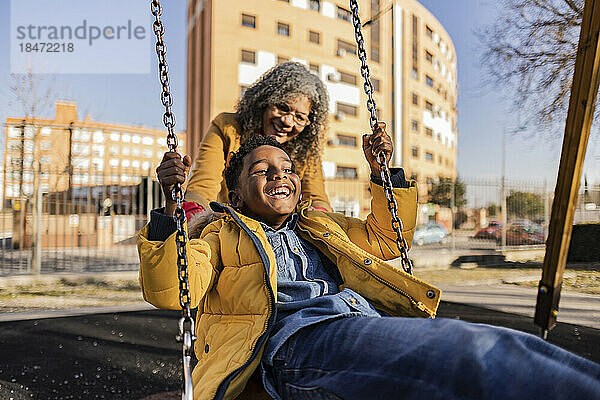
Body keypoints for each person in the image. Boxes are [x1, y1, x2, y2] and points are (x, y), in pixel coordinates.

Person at [139, 127, 600, 400]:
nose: (281, 174)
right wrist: (169, 209)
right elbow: (171, 289)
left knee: (501, 344)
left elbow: (387, 235)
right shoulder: (220, 235)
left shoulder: (321, 226)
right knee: (475, 353)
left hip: (358, 321)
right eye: (262, 170)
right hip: (297, 344)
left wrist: (383, 174)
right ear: (235, 193)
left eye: (287, 167)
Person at [184, 61, 331, 214]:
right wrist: (193, 217)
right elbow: (202, 187)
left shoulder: (304, 149)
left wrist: (318, 218)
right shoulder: (228, 128)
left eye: (300, 118)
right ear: (264, 101)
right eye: (282, 108)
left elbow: (317, 197)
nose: (287, 122)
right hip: (227, 222)